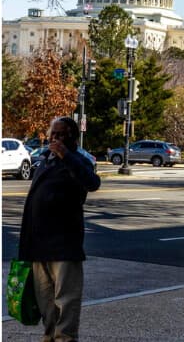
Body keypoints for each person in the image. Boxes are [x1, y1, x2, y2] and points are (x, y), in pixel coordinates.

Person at [18, 117, 101, 342]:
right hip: (39, 244)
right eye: (53, 134)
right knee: (45, 301)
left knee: (66, 300)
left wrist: (67, 156)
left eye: (62, 134)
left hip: (64, 243)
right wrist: (25, 245)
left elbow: (92, 183)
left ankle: (65, 338)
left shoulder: (78, 160)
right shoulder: (45, 159)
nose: (56, 138)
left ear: (72, 137)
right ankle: (49, 336)